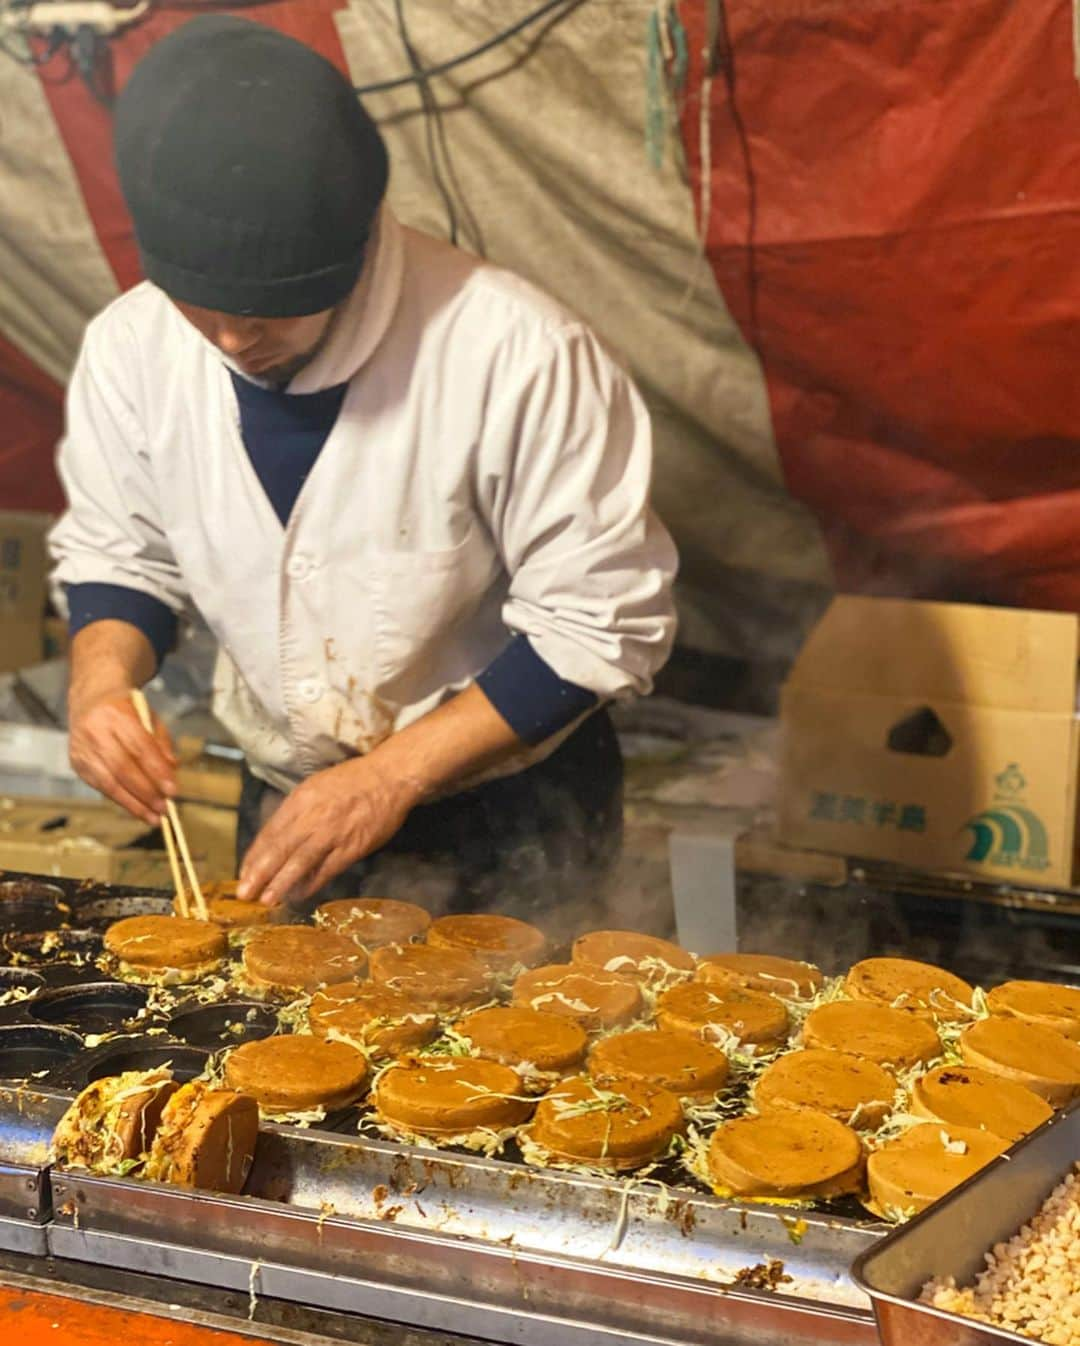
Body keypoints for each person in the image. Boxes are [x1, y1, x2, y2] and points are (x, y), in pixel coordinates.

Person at [50, 17, 677, 926]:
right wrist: (100, 685)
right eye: (202, 306)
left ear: (352, 246)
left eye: (270, 310)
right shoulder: (130, 349)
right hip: (291, 805)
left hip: (509, 818)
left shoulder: (517, 354)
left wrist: (389, 775)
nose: (231, 338)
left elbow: (597, 625)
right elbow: (125, 558)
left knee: (508, 1063)